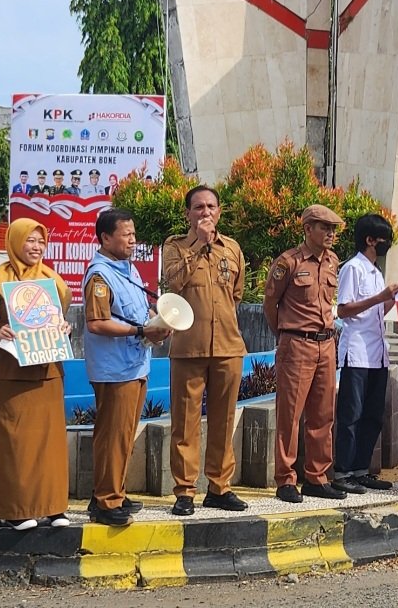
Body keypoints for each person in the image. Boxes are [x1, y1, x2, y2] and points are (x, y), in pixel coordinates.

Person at [0, 218, 72, 530]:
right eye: (30, 241)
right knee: (14, 444)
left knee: (50, 445)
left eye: (41, 242)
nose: (36, 247)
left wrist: (64, 328)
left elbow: (60, 318)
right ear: (16, 241)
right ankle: (17, 509)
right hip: (10, 376)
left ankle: (54, 508)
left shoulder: (54, 281)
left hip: (47, 373)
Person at [162, 186, 248, 516]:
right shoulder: (175, 246)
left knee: (224, 420)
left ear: (220, 211)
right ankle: (185, 491)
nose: (205, 212)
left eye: (211, 206)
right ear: (188, 214)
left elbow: (235, 294)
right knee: (185, 422)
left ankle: (219, 487)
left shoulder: (232, 249)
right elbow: (174, 282)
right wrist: (199, 243)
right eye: (198, 207)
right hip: (188, 347)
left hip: (227, 345)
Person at [83, 209, 171, 526]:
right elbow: (96, 322)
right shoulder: (100, 276)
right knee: (112, 435)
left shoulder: (127, 269)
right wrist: (140, 331)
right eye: (126, 234)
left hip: (134, 365)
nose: (133, 240)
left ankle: (113, 491)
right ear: (106, 238)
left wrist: (157, 323)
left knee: (124, 435)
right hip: (114, 369)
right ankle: (106, 502)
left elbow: (138, 309)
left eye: (134, 234)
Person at [263, 204, 345, 503]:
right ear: (308, 228)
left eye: (333, 229)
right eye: (325, 228)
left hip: (327, 344)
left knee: (323, 414)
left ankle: (317, 477)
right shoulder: (289, 262)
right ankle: (286, 479)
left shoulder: (333, 261)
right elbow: (270, 305)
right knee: (290, 415)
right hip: (297, 343)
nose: (331, 234)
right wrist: (286, 335)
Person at [332, 214, 398, 495]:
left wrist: (393, 297)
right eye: (384, 239)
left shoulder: (376, 272)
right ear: (370, 240)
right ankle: (343, 471)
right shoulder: (353, 269)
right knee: (351, 414)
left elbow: (377, 311)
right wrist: (380, 297)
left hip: (377, 353)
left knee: (373, 415)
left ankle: (361, 469)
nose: (388, 244)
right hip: (357, 352)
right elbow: (344, 309)